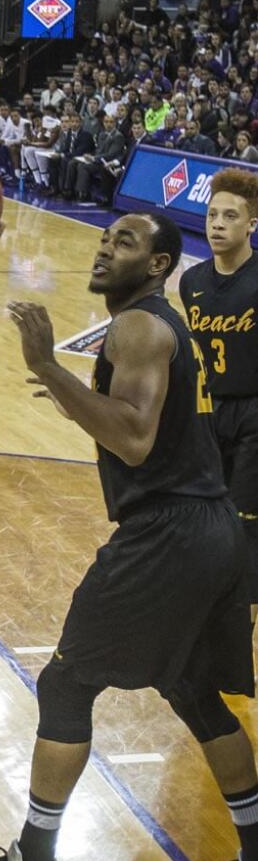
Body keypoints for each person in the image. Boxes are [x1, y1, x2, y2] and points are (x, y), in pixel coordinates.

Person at [0, 212, 256, 861]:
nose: (106, 247)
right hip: (212, 527)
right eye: (106, 237)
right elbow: (148, 422)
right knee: (197, 692)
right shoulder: (155, 323)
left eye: (126, 242)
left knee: (65, 684)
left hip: (167, 534)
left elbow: (135, 437)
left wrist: (51, 368)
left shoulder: (138, 323)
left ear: (159, 265)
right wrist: (72, 391)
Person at [179, 169, 258, 619]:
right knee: (209, 514)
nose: (218, 224)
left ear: (252, 224)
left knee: (246, 518)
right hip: (210, 412)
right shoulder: (193, 283)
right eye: (212, 214)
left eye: (231, 216)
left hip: (254, 413)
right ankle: (212, 601)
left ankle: (239, 616)